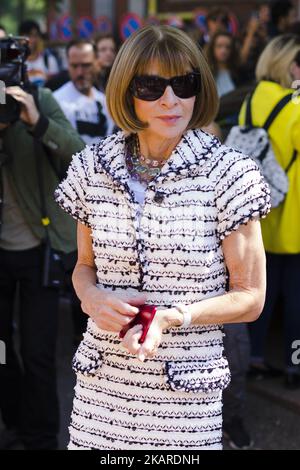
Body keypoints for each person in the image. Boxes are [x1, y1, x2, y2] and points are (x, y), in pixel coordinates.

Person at [55, 25, 270, 450]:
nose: (171, 100)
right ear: (126, 91)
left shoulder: (230, 175)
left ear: (199, 87)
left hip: (184, 397)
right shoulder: (91, 168)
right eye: (151, 86)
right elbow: (83, 267)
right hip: (103, 392)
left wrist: (174, 316)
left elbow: (251, 296)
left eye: (183, 84)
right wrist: (91, 299)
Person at [0, 41, 84, 449]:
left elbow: (77, 152)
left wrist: (35, 122)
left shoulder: (40, 98)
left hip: (39, 250)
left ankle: (41, 435)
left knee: (37, 351)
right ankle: (14, 417)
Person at [238, 34, 300, 389]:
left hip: (260, 214)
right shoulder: (294, 106)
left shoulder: (251, 99)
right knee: (296, 298)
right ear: (289, 65)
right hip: (293, 217)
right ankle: (294, 364)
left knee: (261, 292)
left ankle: (255, 358)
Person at [54, 39, 114, 145]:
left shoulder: (105, 102)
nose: (80, 72)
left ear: (97, 63)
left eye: (86, 65)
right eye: (74, 66)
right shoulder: (56, 102)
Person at [18, 20, 60, 87]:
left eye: (35, 35)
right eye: (27, 36)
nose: (32, 40)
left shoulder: (49, 60)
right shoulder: (15, 62)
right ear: (20, 38)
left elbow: (55, 87)